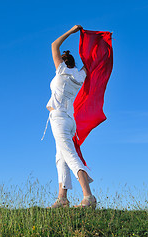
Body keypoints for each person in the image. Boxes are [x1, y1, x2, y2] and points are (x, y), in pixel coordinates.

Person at [47, 25, 97, 209]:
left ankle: (88, 196)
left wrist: (71, 31)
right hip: (70, 120)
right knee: (60, 157)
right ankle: (62, 198)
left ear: (61, 61)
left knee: (69, 156)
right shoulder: (80, 75)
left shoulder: (60, 71)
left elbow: (54, 45)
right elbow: (90, 61)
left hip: (59, 119)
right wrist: (94, 44)